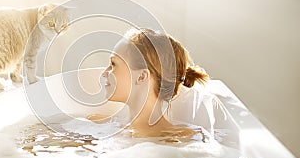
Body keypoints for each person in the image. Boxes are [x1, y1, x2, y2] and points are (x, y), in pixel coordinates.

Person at [90, 28, 232, 141]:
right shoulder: (99, 124)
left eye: (113, 64)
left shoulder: (181, 140)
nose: (104, 73)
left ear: (141, 76)